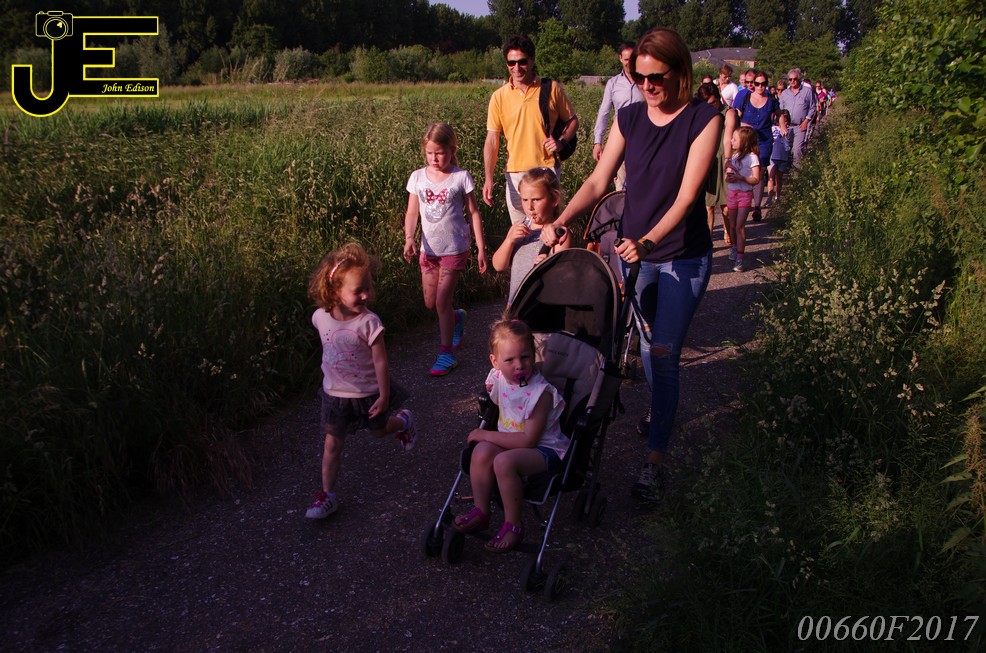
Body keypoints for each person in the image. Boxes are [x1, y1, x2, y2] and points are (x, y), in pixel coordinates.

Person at [542, 28, 720, 500]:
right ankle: (660, 409)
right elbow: (598, 180)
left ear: (680, 72)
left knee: (663, 352)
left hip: (681, 255)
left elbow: (687, 197)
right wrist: (560, 220)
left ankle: (654, 462)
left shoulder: (704, 118)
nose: (647, 86)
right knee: (643, 343)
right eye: (639, 78)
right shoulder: (630, 116)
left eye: (656, 77)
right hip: (633, 255)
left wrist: (648, 240)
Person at [304, 242, 417, 519]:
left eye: (368, 287)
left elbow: (381, 362)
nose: (366, 295)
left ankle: (404, 421)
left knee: (379, 432)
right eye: (358, 291)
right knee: (332, 443)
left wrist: (384, 396)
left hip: (369, 394)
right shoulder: (320, 318)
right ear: (334, 292)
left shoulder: (370, 323)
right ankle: (327, 495)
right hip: (335, 395)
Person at [451, 318, 568, 553]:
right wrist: (490, 392)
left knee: (503, 461)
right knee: (481, 452)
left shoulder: (540, 393)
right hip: (512, 443)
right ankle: (481, 511)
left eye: (525, 357)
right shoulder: (498, 377)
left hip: (544, 450)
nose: (519, 366)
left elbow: (528, 440)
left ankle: (513, 525)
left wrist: (486, 434)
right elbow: (493, 386)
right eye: (509, 360)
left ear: (534, 355)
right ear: (495, 362)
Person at [404, 121, 488, 377]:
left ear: (452, 150)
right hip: (428, 251)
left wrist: (481, 248)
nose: (434, 158)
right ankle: (456, 317)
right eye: (429, 153)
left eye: (440, 153)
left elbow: (473, 213)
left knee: (441, 301)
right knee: (431, 303)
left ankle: (446, 353)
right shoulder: (417, 177)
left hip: (455, 248)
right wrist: (409, 238)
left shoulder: (461, 177)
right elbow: (412, 211)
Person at [483, 35, 578, 225]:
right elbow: (492, 140)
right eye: (511, 63)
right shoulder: (499, 97)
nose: (516, 68)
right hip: (514, 173)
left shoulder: (551, 88)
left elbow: (572, 121)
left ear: (532, 60)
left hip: (545, 170)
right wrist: (488, 178)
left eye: (522, 62)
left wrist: (561, 142)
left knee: (547, 230)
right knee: (520, 231)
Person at [491, 167, 572, 305]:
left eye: (536, 199)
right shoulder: (519, 228)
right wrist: (509, 241)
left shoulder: (559, 234)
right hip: (516, 305)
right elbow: (498, 266)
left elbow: (562, 278)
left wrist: (547, 266)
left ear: (554, 200)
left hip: (541, 307)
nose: (530, 206)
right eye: (524, 199)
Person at [592, 42, 643, 190]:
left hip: (643, 140)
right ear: (620, 58)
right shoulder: (613, 84)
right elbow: (604, 112)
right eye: (626, 59)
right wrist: (598, 142)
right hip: (620, 140)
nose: (629, 63)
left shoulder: (645, 82)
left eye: (632, 59)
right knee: (620, 186)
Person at [695, 81, 737, 244]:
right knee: (708, 205)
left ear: (719, 99)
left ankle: (730, 234)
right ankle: (708, 240)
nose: (711, 107)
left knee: (726, 206)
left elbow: (728, 138)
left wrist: (727, 160)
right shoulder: (702, 114)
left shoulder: (729, 113)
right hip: (709, 160)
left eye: (713, 102)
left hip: (725, 159)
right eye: (707, 104)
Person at [737, 70, 777, 222]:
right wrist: (744, 126)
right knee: (746, 169)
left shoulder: (771, 99)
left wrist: (782, 126)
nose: (760, 86)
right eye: (757, 83)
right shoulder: (744, 96)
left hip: (764, 140)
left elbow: (779, 113)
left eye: (763, 83)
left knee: (759, 170)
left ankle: (757, 207)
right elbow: (735, 117)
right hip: (747, 139)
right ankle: (744, 203)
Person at [724, 126, 760, 272]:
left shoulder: (752, 157)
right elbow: (728, 178)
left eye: (734, 139)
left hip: (744, 195)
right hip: (732, 193)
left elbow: (756, 179)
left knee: (740, 226)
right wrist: (729, 174)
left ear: (744, 141)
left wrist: (741, 178)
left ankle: (740, 258)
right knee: (732, 225)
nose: (731, 141)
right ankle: (734, 247)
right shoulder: (734, 156)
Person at [779, 68, 816, 168]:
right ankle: (784, 171)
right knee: (784, 149)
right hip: (786, 126)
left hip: (800, 126)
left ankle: (797, 172)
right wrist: (782, 124)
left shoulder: (807, 92)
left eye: (794, 79)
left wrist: (806, 121)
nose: (792, 81)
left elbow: (813, 107)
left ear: (799, 79)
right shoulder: (785, 93)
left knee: (797, 150)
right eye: (790, 79)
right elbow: (780, 109)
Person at [766, 109, 793, 207]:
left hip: (783, 157)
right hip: (772, 156)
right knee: (771, 178)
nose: (784, 123)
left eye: (786, 121)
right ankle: (769, 198)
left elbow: (790, 144)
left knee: (779, 179)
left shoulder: (790, 130)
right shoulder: (773, 128)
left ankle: (777, 197)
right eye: (782, 120)